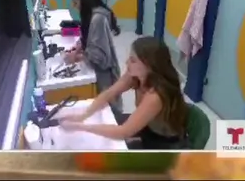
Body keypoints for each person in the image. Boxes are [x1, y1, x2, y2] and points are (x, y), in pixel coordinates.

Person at [61, 36, 189, 150]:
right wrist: (83, 115)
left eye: (133, 60)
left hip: (165, 144)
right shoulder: (135, 76)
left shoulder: (155, 96)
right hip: (148, 128)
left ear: (149, 66)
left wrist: (82, 126)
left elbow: (123, 132)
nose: (126, 62)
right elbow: (108, 93)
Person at [63, 0, 123, 120]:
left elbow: (100, 58)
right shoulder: (91, 15)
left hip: (105, 76)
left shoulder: (97, 19)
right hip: (100, 73)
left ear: (84, 1)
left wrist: (77, 58)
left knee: (109, 114)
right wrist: (78, 47)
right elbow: (89, 37)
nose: (74, 6)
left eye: (75, 2)